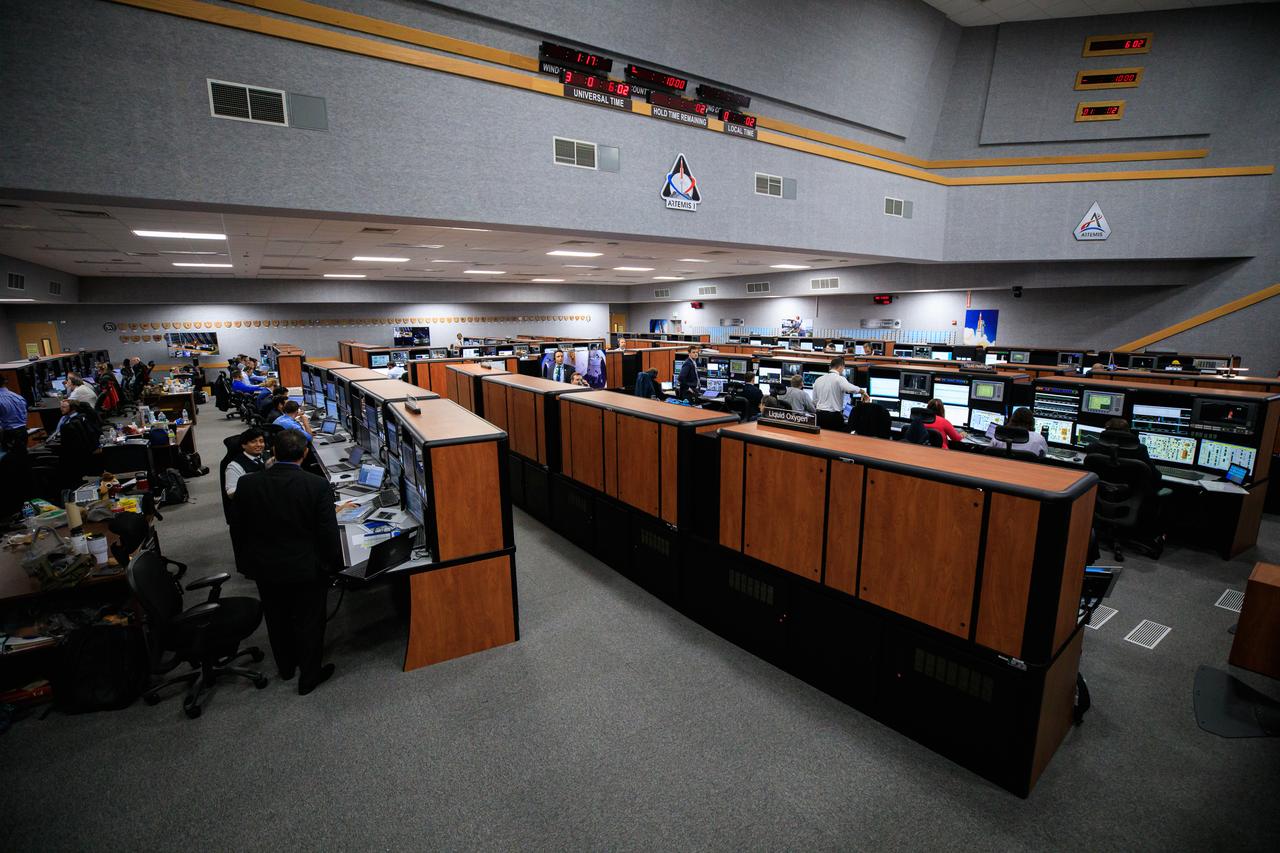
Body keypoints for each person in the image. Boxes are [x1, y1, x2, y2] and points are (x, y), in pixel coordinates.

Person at [233, 429, 341, 693]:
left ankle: (286, 667)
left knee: (277, 618)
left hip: (264, 567)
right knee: (309, 622)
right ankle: (309, 677)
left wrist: (246, 565)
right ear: (305, 454)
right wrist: (334, 566)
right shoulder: (317, 486)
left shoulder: (247, 484)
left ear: (273, 452)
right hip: (306, 568)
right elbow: (327, 533)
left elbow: (238, 528)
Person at [810, 357, 867, 431]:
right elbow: (850, 388)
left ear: (831, 367)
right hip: (833, 417)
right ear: (841, 367)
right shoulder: (839, 379)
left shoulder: (818, 379)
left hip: (819, 415)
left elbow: (814, 400)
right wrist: (862, 391)